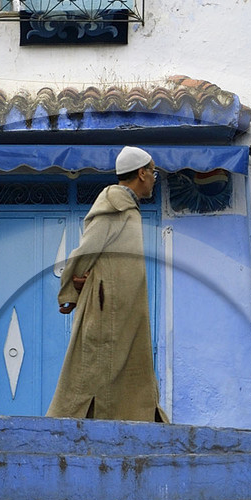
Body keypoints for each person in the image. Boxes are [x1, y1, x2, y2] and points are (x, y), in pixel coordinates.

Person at [47, 144, 168, 422]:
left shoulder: (127, 208)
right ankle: (66, 424)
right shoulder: (113, 206)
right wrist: (70, 289)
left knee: (126, 368)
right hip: (107, 308)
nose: (153, 179)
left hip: (123, 306)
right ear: (141, 173)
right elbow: (86, 250)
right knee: (94, 368)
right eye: (153, 173)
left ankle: (136, 420)